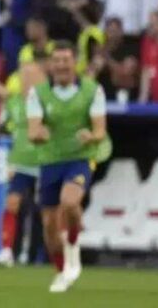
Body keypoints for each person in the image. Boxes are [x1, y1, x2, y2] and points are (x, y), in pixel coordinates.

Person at [27, 41, 110, 293]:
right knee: (50, 227)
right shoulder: (37, 93)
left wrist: (91, 136)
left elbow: (100, 129)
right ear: (51, 65)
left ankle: (73, 245)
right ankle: (62, 272)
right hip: (50, 161)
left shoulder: (92, 90)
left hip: (80, 158)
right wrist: (39, 134)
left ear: (75, 62)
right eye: (57, 60)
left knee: (70, 202)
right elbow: (33, 131)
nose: (61, 65)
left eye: (66, 60)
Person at [0, 60, 47, 267]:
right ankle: (7, 250)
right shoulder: (14, 102)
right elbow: (2, 125)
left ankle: (38, 254)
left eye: (30, 77)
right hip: (20, 162)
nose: (26, 81)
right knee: (12, 204)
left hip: (42, 162)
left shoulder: (46, 103)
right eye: (24, 77)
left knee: (41, 210)